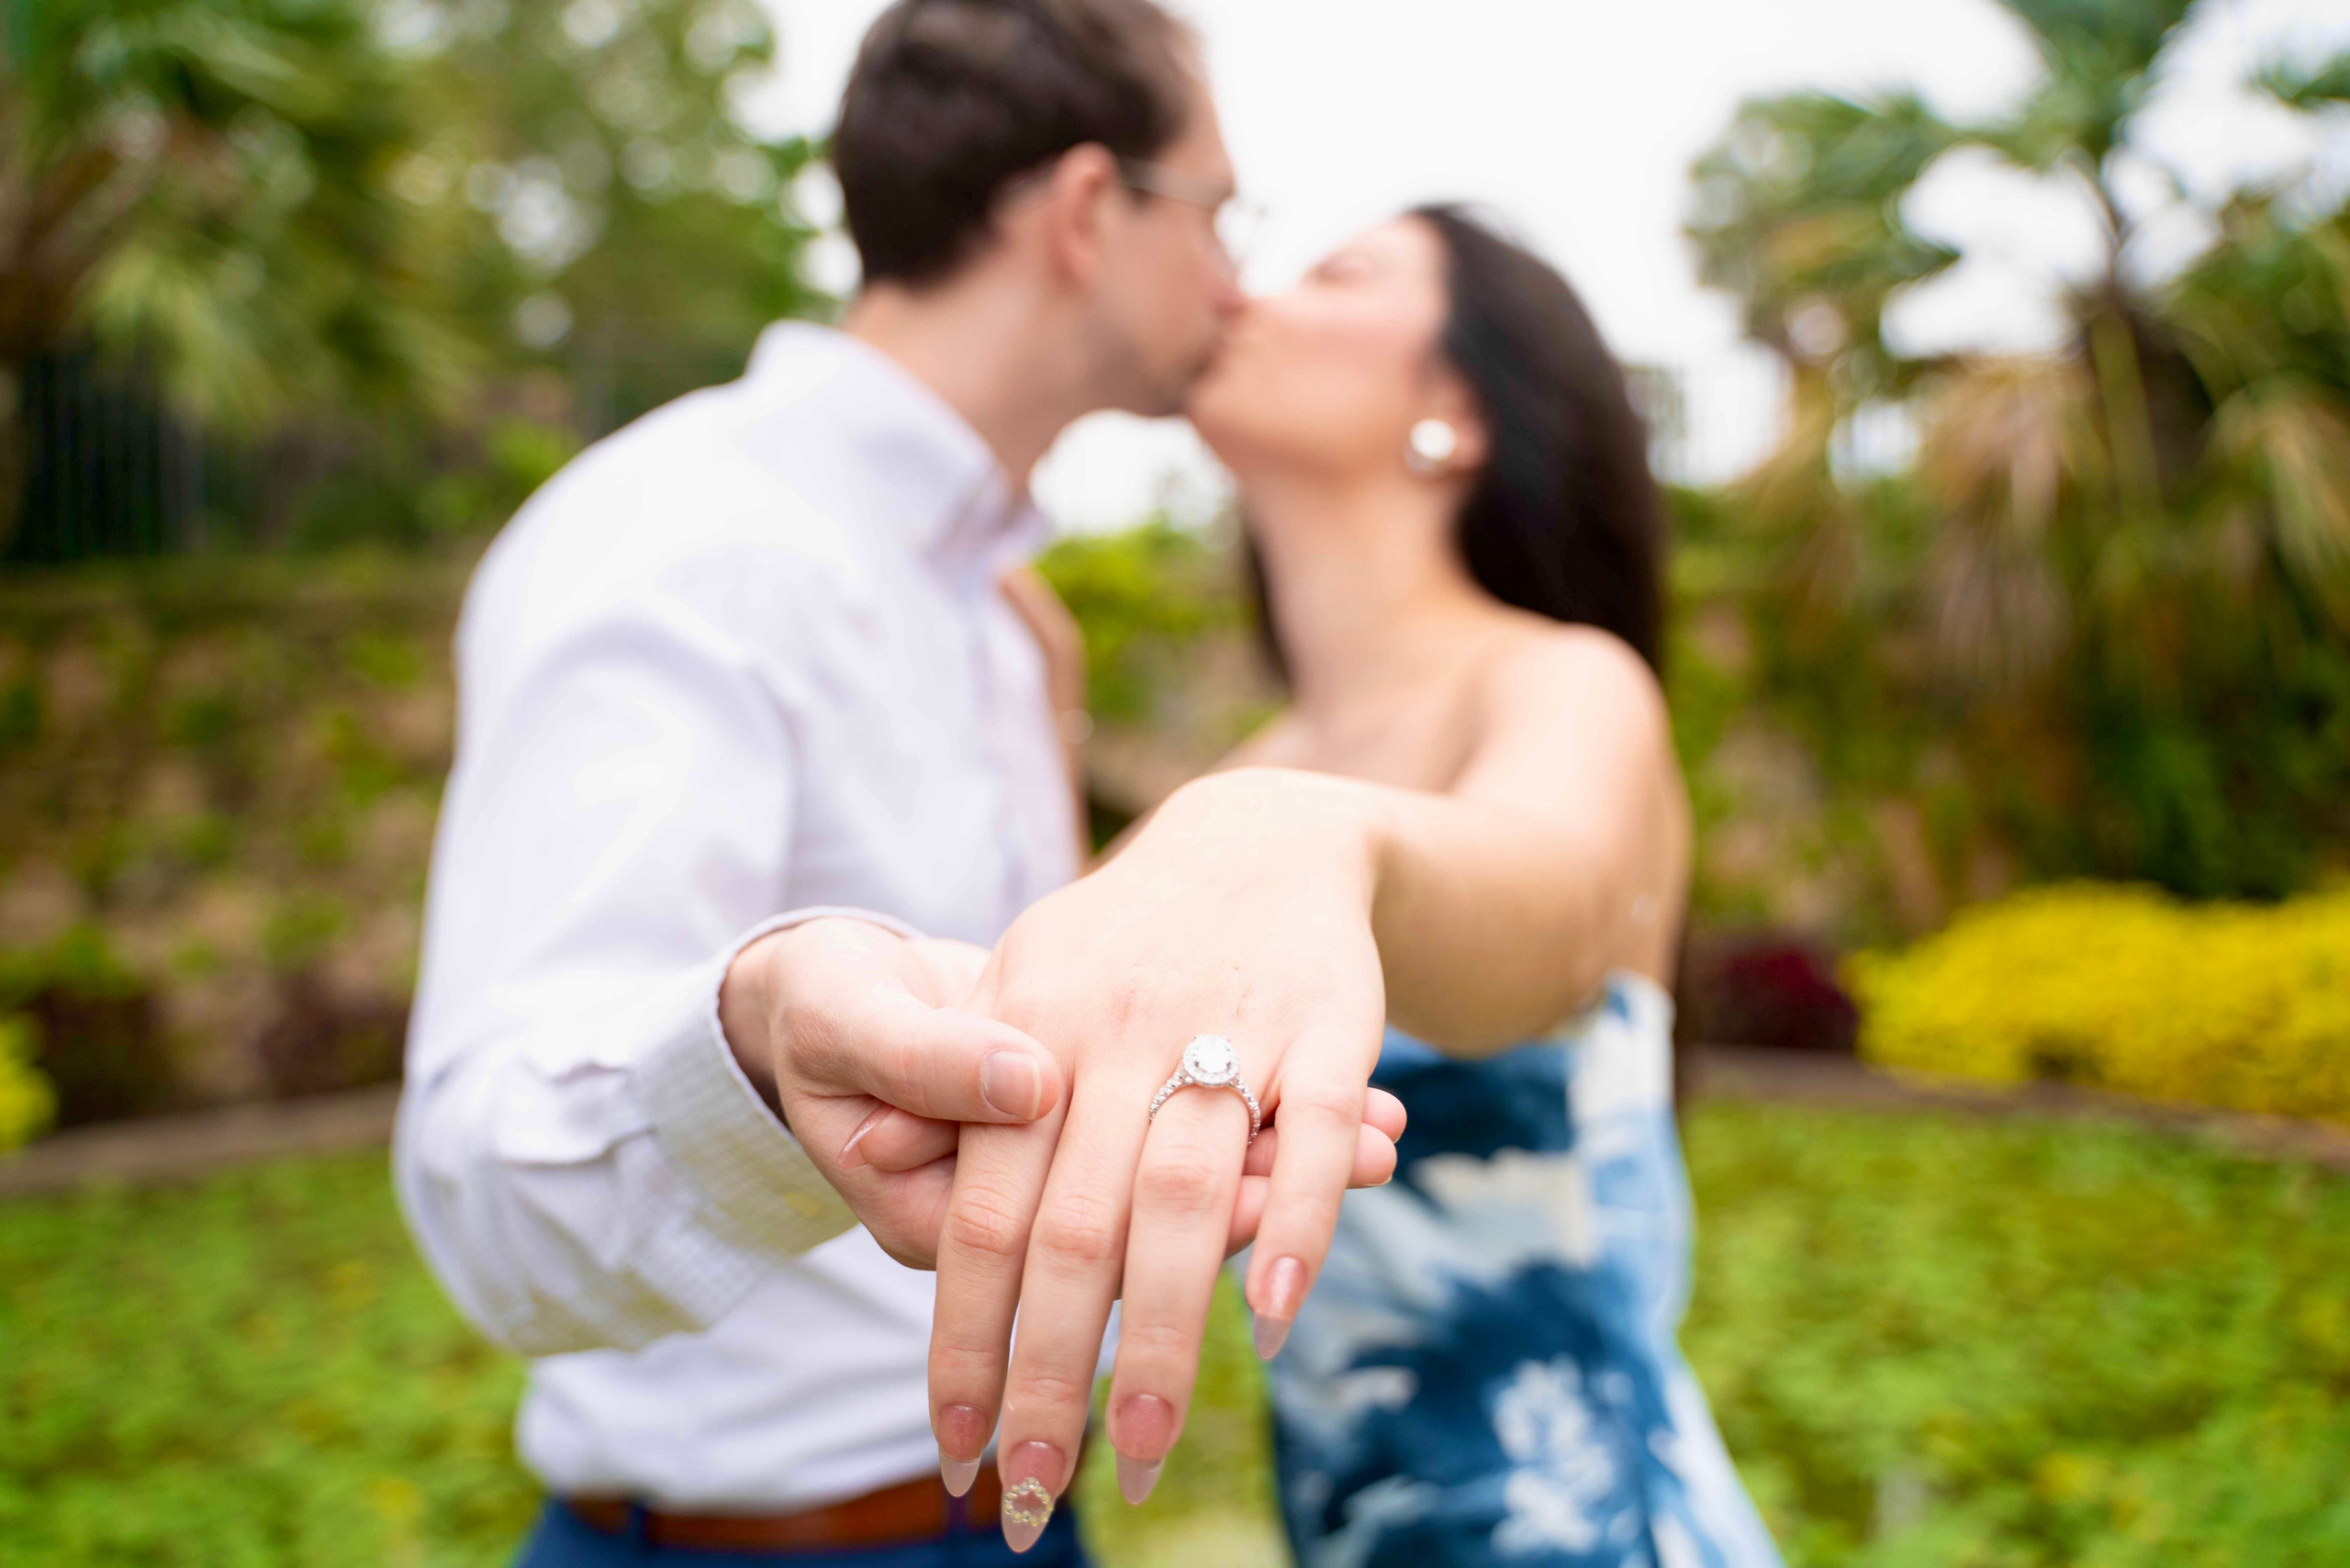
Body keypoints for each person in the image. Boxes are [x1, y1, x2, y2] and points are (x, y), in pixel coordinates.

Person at [394, 2, 1401, 1563]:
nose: (1236, 279)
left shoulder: (1001, 617)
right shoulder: (678, 540)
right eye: (1216, 213)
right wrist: (747, 1048)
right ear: (1085, 210)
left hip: (1003, 1506)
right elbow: (479, 1181)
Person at [896, 207, 1782, 1563]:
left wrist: (1314, 840)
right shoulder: (1251, 780)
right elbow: (1037, 1054)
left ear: (1456, 407)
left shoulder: (1561, 686)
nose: (1248, 292)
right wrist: (1044, 726)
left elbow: (1548, 912)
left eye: (1336, 272)